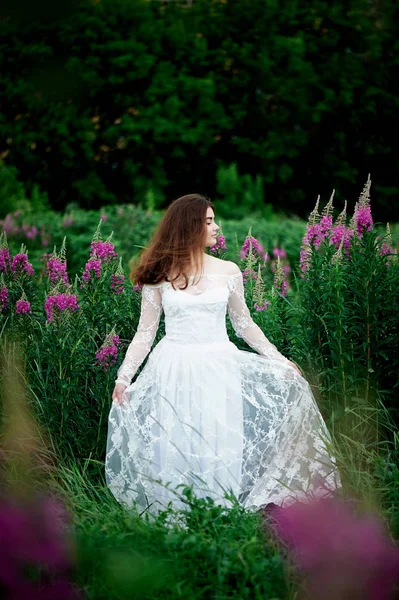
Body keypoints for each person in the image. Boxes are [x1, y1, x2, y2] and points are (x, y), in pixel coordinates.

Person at [105, 194, 340, 514]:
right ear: (189, 227)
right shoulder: (160, 274)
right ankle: (177, 512)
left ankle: (221, 511)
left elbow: (245, 326)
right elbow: (145, 334)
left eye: (214, 220)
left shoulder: (229, 271)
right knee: (178, 438)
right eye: (209, 221)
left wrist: (279, 360)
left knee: (220, 436)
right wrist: (124, 377)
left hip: (219, 366)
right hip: (175, 367)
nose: (217, 227)